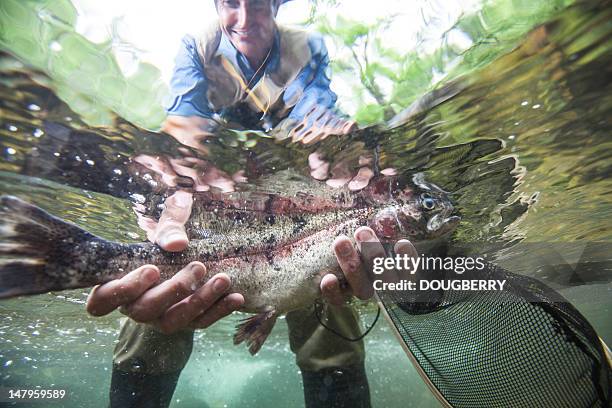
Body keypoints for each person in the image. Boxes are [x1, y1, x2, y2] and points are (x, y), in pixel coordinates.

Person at [86, 1, 416, 406]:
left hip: (309, 215)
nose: (244, 20)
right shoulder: (198, 45)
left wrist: (341, 157)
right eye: (230, 3)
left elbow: (319, 124)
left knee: (336, 302)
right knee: (153, 309)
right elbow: (185, 129)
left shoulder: (305, 47)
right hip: (211, 210)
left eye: (258, 4)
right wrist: (177, 187)